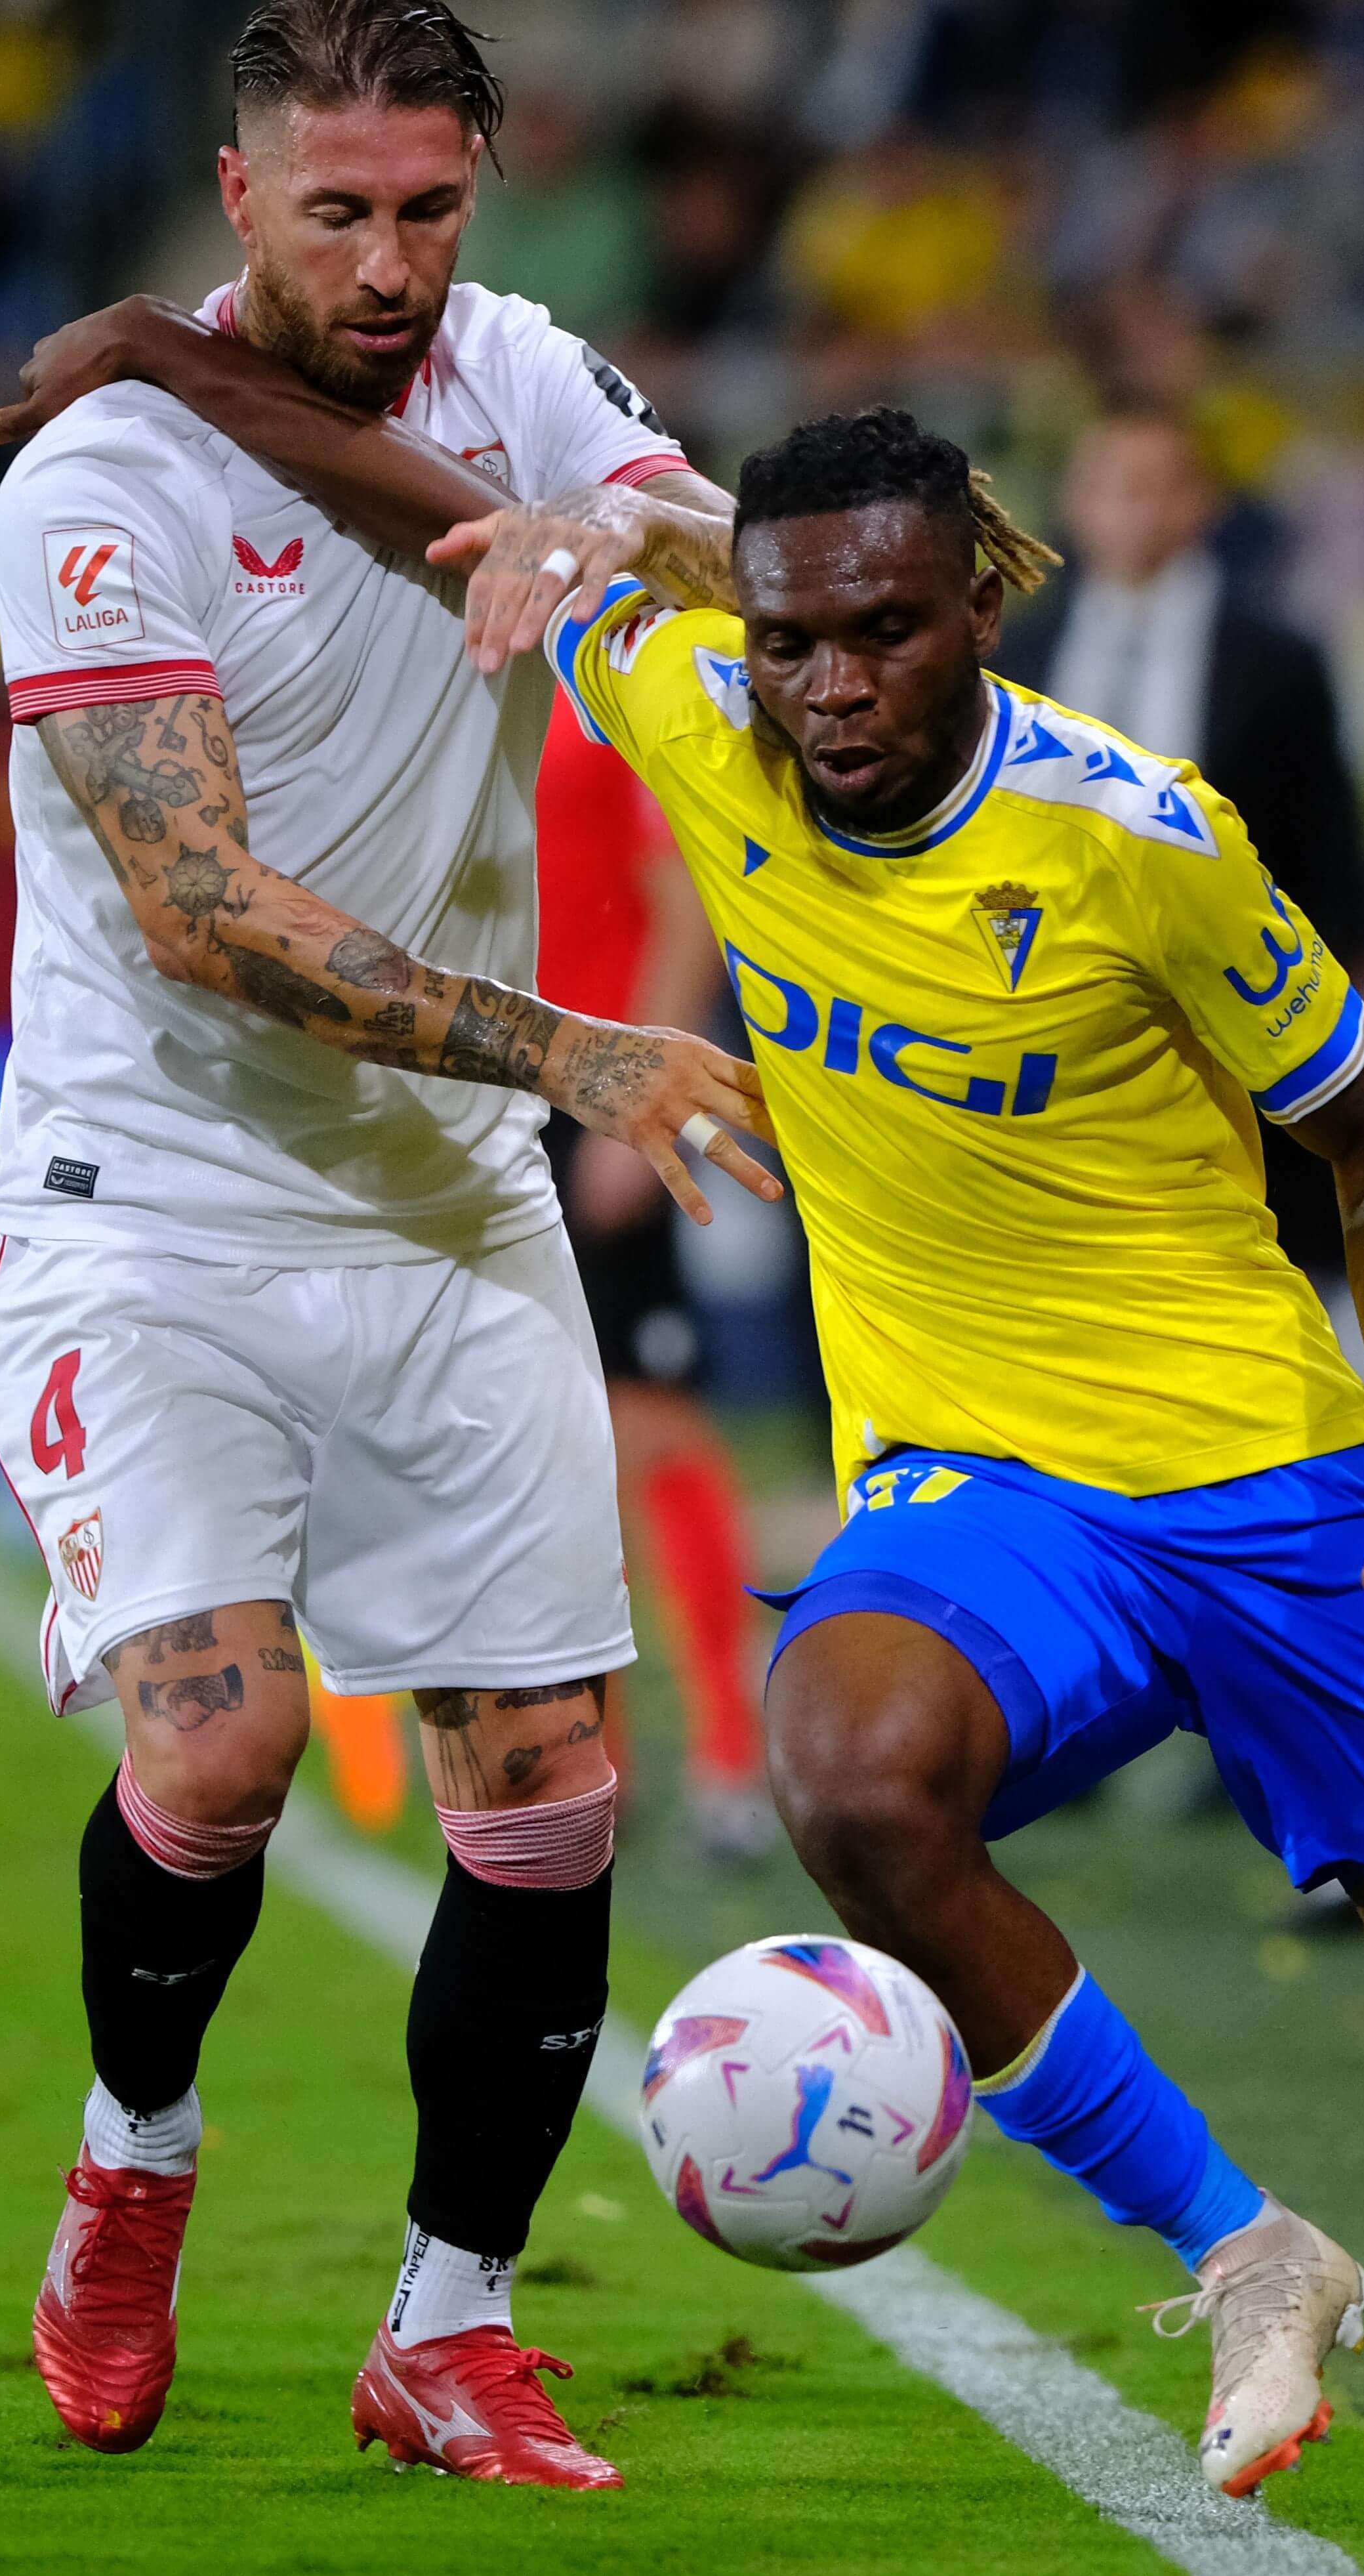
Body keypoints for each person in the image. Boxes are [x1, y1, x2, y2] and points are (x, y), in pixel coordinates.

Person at [0, 337, 1364, 2537]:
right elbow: (419, 484)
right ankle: (1248, 2252)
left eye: (885, 632)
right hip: (987, 1499)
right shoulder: (696, 711)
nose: (828, 685)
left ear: (983, 609)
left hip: (1269, 1487)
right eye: (791, 635)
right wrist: (156, 356)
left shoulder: (1140, 840)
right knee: (849, 1775)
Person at [0, 0, 775, 2489]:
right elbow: (200, 913)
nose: (397, 260)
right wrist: (583, 1057)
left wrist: (615, 526)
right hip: (158, 1203)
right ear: (237, 200)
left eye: (432, 206)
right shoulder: (97, 480)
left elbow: (776, 556)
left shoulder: (515, 373)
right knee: (212, 1753)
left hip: (441, 1220)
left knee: (542, 1786)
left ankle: (449, 2324)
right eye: (341, 212)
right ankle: (136, 2164)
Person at [992, 403, 1364, 1293]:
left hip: (1231, 991)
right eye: (1113, 486)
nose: (1137, 510)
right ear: (1074, 501)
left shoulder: (1276, 658)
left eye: (1160, 486)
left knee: (1267, 1237)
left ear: (1201, 501)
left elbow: (1331, 838)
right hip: (1045, 995)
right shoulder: (1019, 649)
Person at [533, 702, 775, 1865]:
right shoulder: (471, 676)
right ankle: (599, 1768)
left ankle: (732, 1755)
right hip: (502, 1097)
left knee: (652, 1427)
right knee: (550, 1437)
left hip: (599, 1094)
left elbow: (681, 901)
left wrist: (642, 1101)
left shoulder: (606, 694)